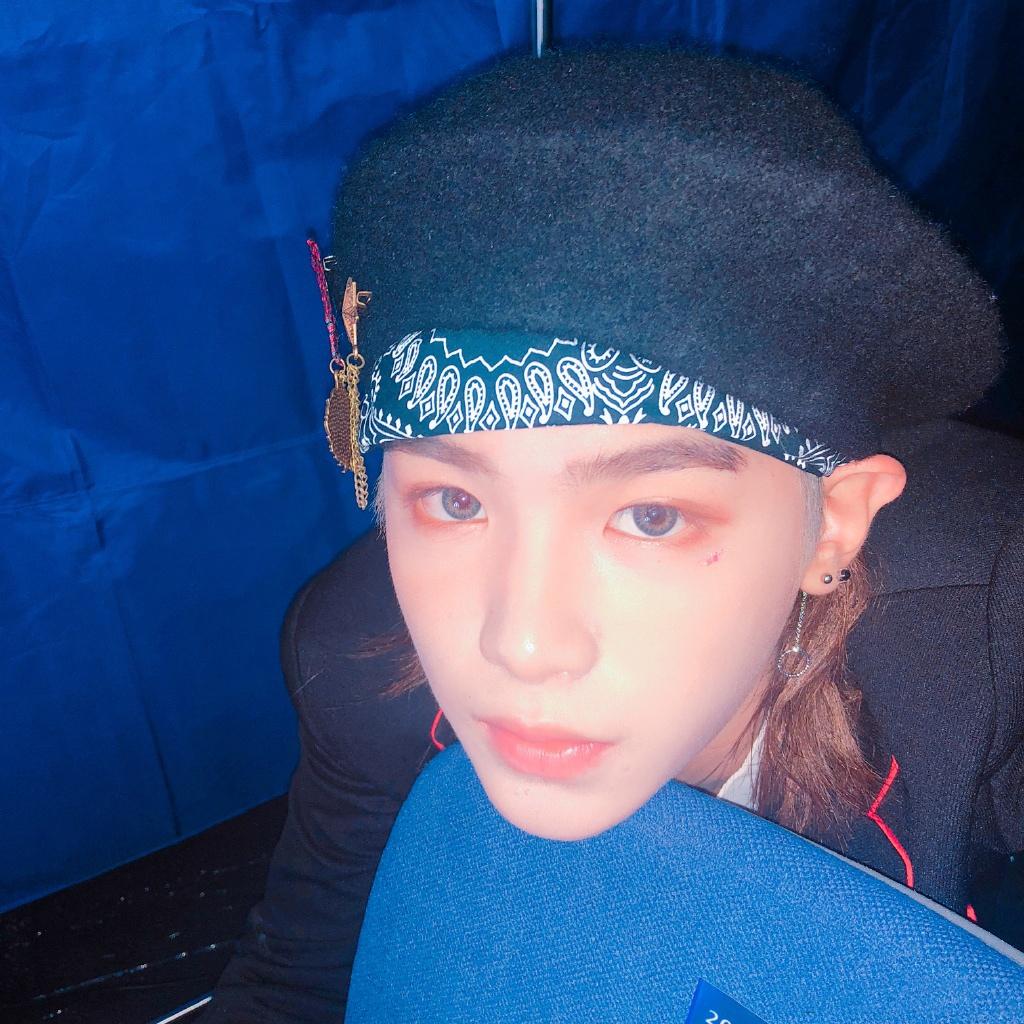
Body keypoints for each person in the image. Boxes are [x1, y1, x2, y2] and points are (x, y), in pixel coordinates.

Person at [203, 45, 1017, 1022]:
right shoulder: (357, 656)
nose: (521, 642)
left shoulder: (991, 626)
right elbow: (304, 973)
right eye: (455, 502)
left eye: (650, 516)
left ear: (831, 524)